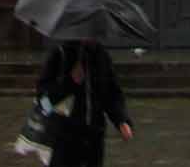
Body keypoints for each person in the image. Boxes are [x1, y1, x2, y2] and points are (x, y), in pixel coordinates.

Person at [37, 37, 133, 165]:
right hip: (64, 138)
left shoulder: (101, 55)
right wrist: (70, 82)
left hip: (94, 137)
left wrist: (121, 120)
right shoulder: (61, 54)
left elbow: (111, 94)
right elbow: (44, 104)